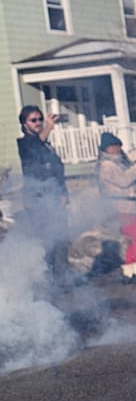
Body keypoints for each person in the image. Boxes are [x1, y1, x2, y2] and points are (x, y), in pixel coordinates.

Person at [15, 104, 71, 282]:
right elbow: (35, 146)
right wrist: (48, 127)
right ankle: (46, 279)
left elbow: (56, 172)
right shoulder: (24, 144)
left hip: (54, 196)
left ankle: (61, 276)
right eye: (34, 120)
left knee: (61, 237)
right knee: (46, 239)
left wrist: (63, 192)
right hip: (37, 200)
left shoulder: (46, 145)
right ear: (24, 124)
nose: (38, 123)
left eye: (40, 119)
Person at [96, 132, 136, 282]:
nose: (117, 149)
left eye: (117, 145)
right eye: (113, 146)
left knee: (131, 237)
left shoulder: (116, 163)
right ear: (106, 149)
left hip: (126, 205)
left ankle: (129, 268)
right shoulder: (107, 165)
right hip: (120, 206)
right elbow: (124, 180)